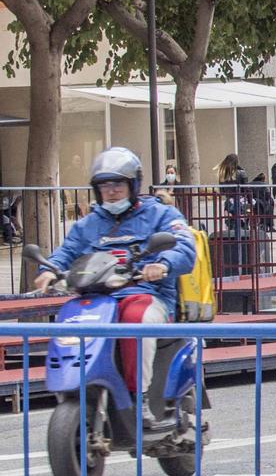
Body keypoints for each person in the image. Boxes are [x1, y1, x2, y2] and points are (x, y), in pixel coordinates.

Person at [32, 148, 198, 448]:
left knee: (135, 318)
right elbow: (67, 252)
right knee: (70, 314)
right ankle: (74, 387)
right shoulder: (88, 224)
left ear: (133, 185)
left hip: (146, 296)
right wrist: (50, 270)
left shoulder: (161, 214)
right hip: (99, 298)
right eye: (104, 186)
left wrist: (162, 264)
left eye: (117, 185)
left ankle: (141, 398)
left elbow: (185, 247)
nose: (111, 192)